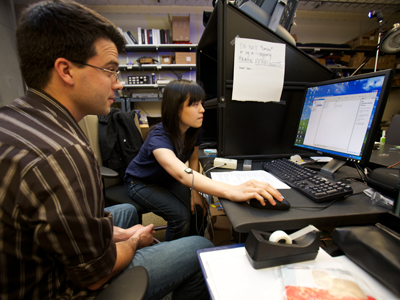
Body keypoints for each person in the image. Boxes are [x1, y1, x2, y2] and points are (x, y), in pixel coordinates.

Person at [0, 1, 213, 299]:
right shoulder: (64, 152)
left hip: (37, 260)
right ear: (66, 70)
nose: (118, 84)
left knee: (124, 213)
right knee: (199, 247)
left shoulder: (18, 120)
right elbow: (94, 273)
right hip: (61, 289)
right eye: (110, 70)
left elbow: (62, 225)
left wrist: (124, 233)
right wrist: (134, 241)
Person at [125, 80, 284, 241]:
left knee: (198, 209)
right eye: (194, 104)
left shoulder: (193, 129)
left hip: (167, 179)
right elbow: (182, 174)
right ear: (175, 108)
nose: (202, 109)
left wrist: (195, 193)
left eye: (201, 103)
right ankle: (173, 253)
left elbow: (193, 158)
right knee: (180, 216)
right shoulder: (158, 138)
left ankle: (193, 244)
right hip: (140, 183)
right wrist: (232, 190)